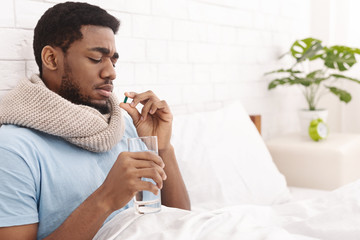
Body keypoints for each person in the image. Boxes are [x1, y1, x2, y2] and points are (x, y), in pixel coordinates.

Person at [0, 2, 190, 239]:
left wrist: (163, 148)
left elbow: (183, 223)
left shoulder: (125, 126)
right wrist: (106, 199)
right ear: (51, 59)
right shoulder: (13, 148)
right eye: (96, 58)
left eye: (113, 61)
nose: (111, 72)